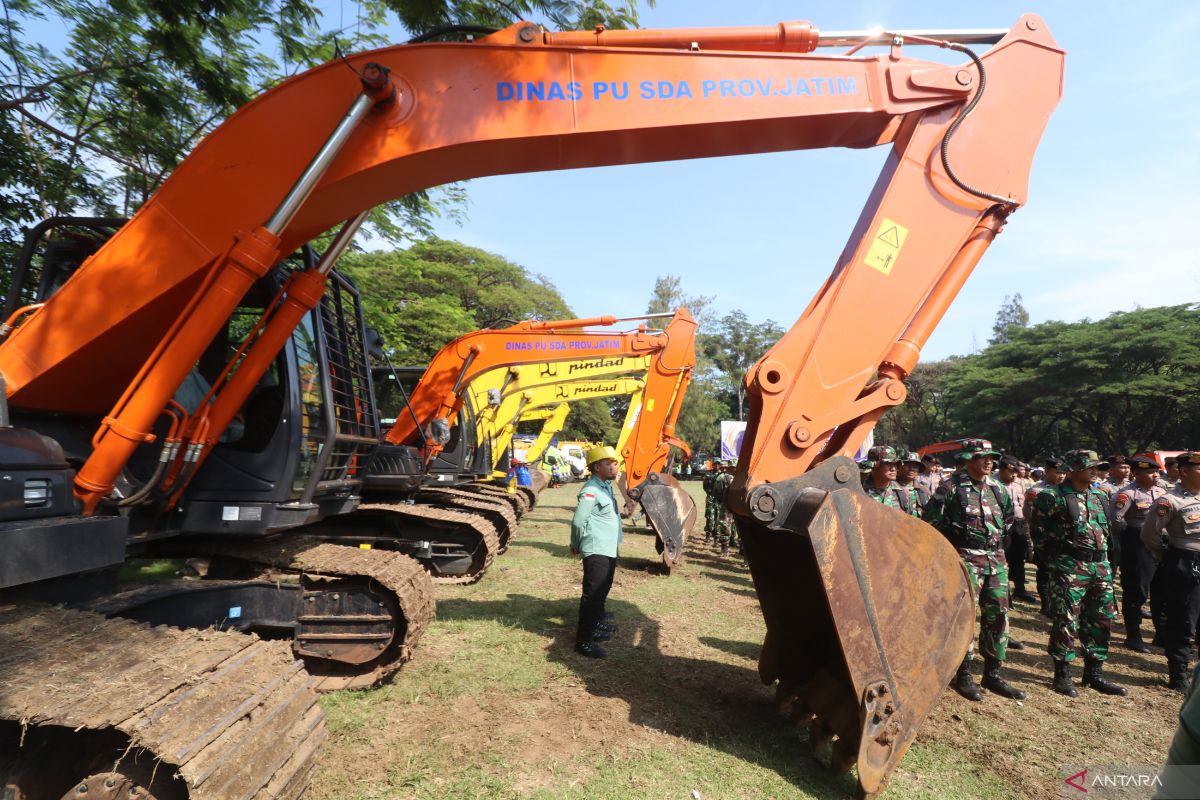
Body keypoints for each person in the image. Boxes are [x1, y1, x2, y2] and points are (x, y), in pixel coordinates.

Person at [923, 439, 1024, 701]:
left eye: (991, 457)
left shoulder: (998, 488)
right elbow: (931, 525)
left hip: (996, 560)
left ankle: (993, 674)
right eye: (981, 457)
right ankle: (964, 674)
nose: (988, 461)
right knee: (965, 618)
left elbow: (1009, 520)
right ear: (968, 459)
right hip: (964, 559)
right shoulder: (950, 488)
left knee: (998, 616)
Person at [1031, 449, 1126, 697]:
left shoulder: (1100, 495)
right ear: (1073, 469)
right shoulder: (1052, 496)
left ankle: (1094, 673)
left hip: (1100, 567)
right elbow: (1039, 534)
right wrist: (1056, 563)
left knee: (1102, 619)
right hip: (1069, 567)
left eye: (1097, 467)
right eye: (1090, 467)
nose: (1096, 471)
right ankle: (1062, 674)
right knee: (1066, 620)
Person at [1140, 451, 1200, 692]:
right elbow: (1149, 535)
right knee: (1183, 620)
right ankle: (1179, 674)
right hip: (1185, 561)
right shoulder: (1170, 500)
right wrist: (1170, 557)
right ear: (1184, 471)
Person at [570, 445, 624, 659]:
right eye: (610, 463)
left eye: (614, 462)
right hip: (596, 548)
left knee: (602, 590)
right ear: (597, 467)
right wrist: (575, 543)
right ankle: (584, 641)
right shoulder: (591, 490)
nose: (615, 466)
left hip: (608, 548)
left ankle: (596, 626)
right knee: (592, 596)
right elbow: (578, 520)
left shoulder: (604, 486)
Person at [1108, 453, 1166, 653]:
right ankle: (1133, 635)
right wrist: (1133, 536)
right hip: (1137, 544)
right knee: (1137, 590)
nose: (1155, 476)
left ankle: (1161, 634)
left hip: (1160, 544)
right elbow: (1116, 520)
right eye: (1150, 472)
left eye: (1156, 472)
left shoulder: (1161, 492)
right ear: (1137, 473)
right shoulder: (1127, 494)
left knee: (1161, 591)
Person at [1026, 455, 1065, 615]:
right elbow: (1030, 516)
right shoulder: (1036, 491)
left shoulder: (1067, 489)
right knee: (1045, 570)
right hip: (1045, 537)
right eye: (1057, 472)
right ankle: (1046, 603)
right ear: (1047, 472)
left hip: (1063, 539)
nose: (1061, 475)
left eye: (1063, 472)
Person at [999, 455, 1036, 603]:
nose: (1014, 474)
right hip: (1003, 524)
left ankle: (1020, 589)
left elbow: (1024, 504)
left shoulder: (1019, 483)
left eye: (1016, 471)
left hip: (1019, 523)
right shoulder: (994, 484)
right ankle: (1004, 590)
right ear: (1001, 470)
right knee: (1004, 557)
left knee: (1020, 556)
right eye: (1011, 471)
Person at [713, 461, 738, 555]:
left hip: (732, 506)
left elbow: (717, 493)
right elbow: (718, 492)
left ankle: (732, 544)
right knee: (726, 526)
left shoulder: (722, 477)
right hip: (729, 506)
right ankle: (725, 548)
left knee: (730, 526)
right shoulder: (723, 478)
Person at [896, 450, 931, 517]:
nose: (911, 469)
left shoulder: (924, 490)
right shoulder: (890, 488)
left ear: (918, 470)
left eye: (915, 466)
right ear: (899, 467)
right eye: (908, 465)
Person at [702, 460, 721, 544]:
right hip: (710, 497)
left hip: (719, 499)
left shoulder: (722, 475)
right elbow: (705, 486)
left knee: (718, 518)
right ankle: (708, 535)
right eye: (715, 464)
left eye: (718, 464)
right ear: (713, 465)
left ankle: (716, 538)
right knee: (709, 517)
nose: (717, 466)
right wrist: (709, 493)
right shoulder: (708, 475)